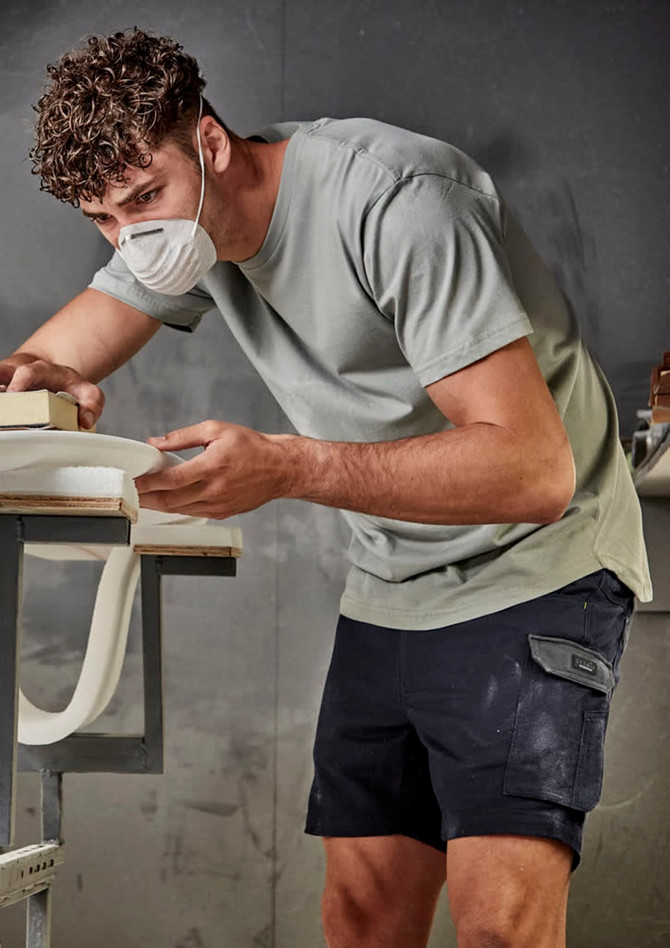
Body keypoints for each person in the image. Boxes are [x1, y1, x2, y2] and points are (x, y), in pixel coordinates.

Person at [1, 27, 652, 948]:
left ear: (212, 146)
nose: (129, 239)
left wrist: (290, 465)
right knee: (360, 920)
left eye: (144, 199)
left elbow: (532, 472)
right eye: (102, 219)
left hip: (535, 568)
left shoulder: (397, 203)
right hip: (395, 585)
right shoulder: (176, 235)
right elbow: (44, 359)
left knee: (500, 930)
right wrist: (36, 376)